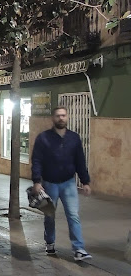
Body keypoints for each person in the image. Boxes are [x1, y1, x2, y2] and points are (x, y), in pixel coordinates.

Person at [31, 106, 92, 262]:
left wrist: (85, 181)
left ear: (67, 117)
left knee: (73, 215)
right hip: (49, 183)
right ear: (53, 118)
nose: (61, 118)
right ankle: (50, 242)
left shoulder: (74, 138)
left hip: (69, 183)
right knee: (49, 215)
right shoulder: (43, 138)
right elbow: (37, 160)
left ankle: (79, 249)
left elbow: (80, 160)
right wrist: (37, 181)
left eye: (63, 115)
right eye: (58, 115)